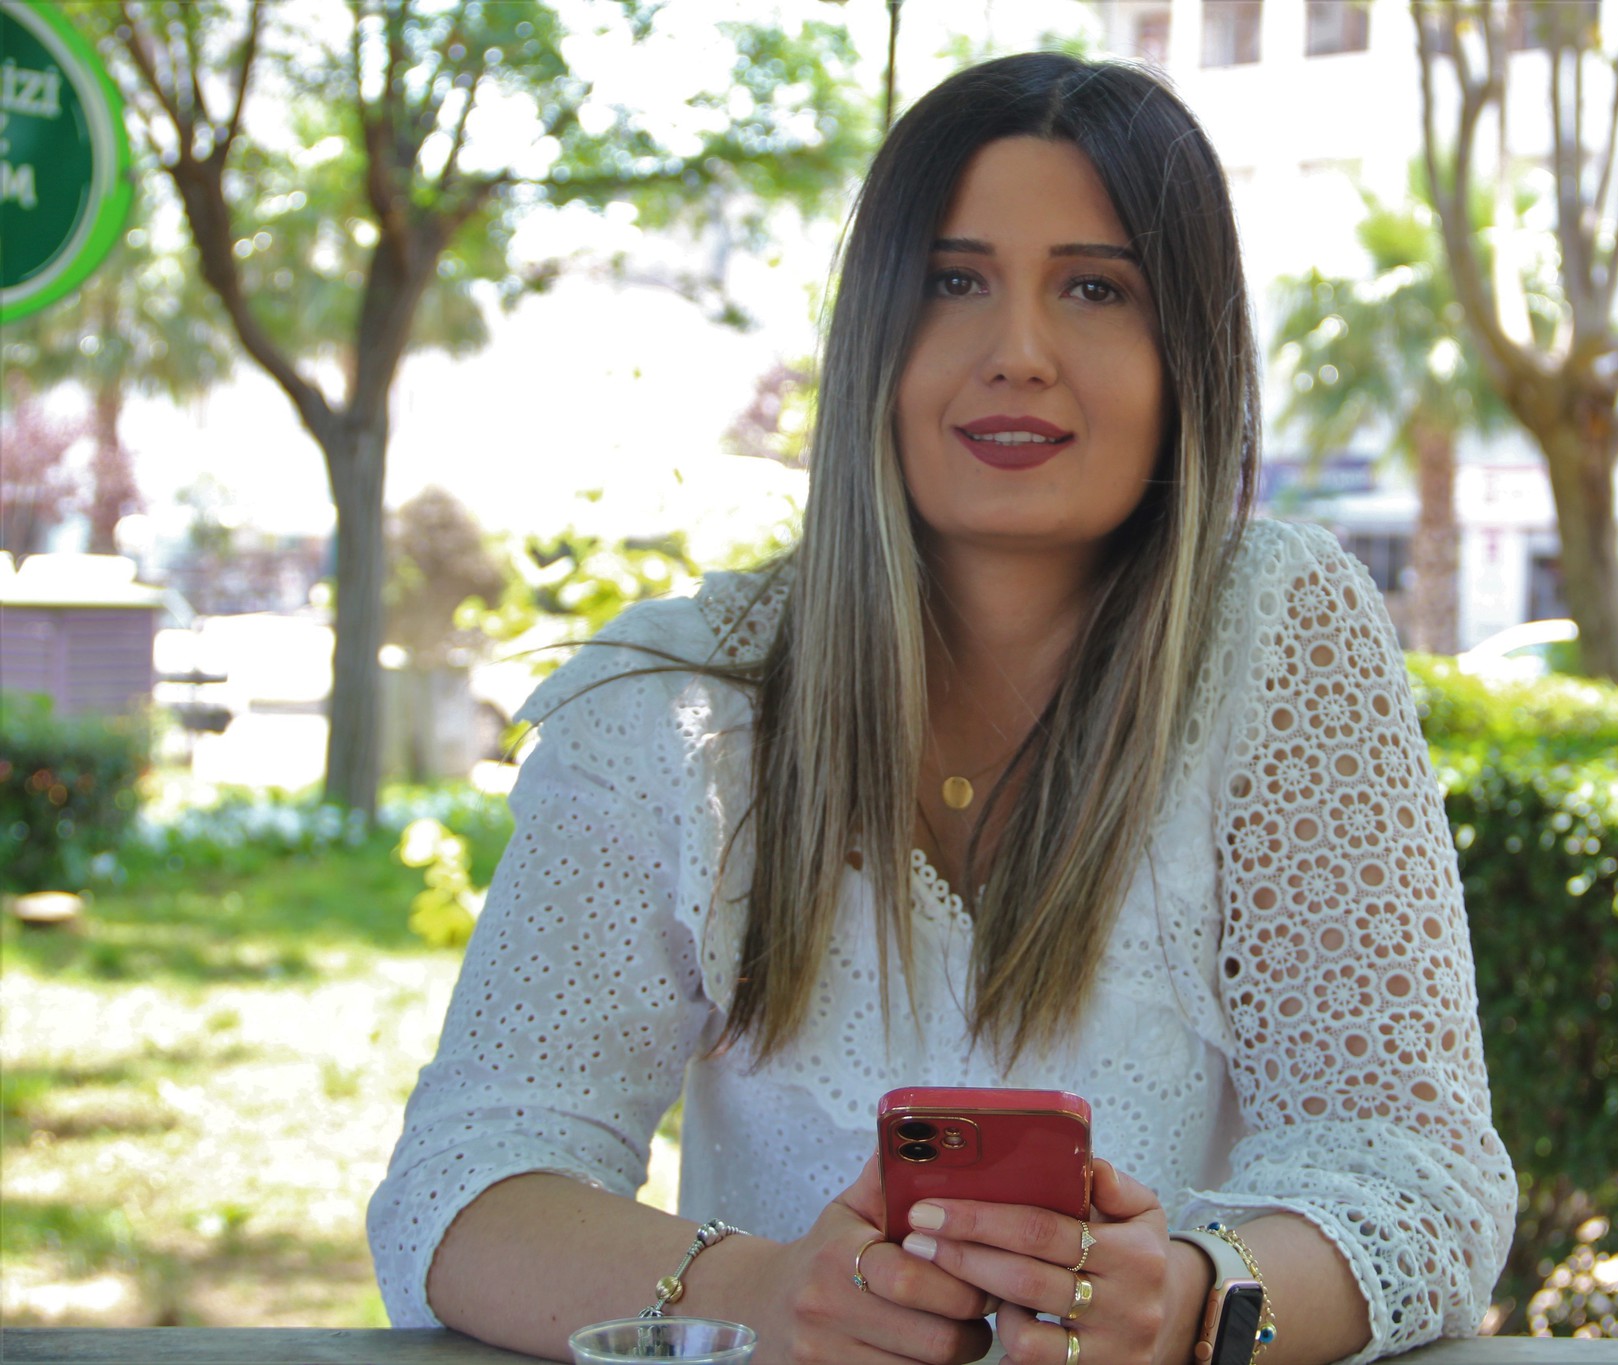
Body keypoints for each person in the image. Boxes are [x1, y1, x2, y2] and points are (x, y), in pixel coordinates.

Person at [369, 52, 1515, 1365]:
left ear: (1185, 354)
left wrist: (1194, 1305)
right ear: (876, 334)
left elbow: (1415, 1168)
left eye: (1095, 287)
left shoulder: (1278, 636)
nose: (1017, 353)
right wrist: (766, 1291)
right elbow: (459, 1184)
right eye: (954, 281)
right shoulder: (677, 701)